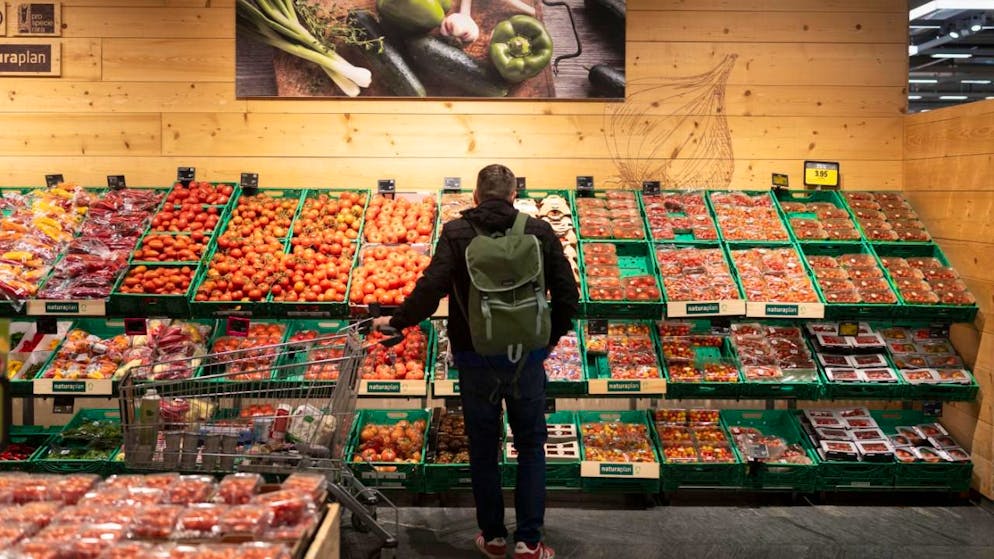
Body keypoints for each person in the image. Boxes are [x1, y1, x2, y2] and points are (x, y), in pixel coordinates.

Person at [373, 164, 578, 559]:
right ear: (515, 195)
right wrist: (545, 343)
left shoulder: (457, 232)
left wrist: (399, 322)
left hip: (474, 357)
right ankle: (530, 542)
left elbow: (430, 288)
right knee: (531, 446)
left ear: (476, 196)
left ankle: (495, 537)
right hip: (526, 359)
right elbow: (568, 296)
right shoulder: (539, 231)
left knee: (483, 447)